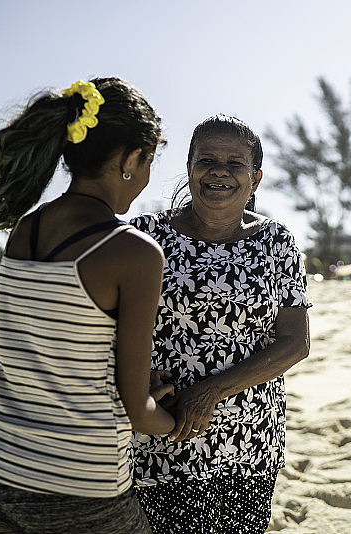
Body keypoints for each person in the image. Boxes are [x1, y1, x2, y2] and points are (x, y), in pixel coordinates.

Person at [0, 77, 176, 534]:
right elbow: (137, 410)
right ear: (130, 160)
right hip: (81, 491)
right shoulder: (134, 252)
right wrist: (175, 421)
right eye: (149, 161)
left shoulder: (25, 231)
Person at [129, 114, 311, 533]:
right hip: (162, 432)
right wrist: (139, 380)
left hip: (250, 439)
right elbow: (110, 326)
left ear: (255, 178)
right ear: (190, 168)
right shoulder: (145, 235)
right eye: (207, 160)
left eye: (235, 163)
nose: (219, 172)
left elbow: (295, 342)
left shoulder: (276, 241)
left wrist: (210, 391)